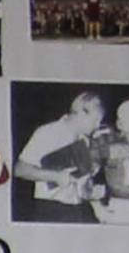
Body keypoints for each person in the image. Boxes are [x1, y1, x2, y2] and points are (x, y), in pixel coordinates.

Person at [14, 89, 107, 219]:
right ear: (82, 113)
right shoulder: (47, 132)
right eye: (95, 120)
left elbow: (82, 185)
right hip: (50, 209)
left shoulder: (85, 141)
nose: (97, 126)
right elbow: (20, 169)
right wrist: (55, 176)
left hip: (76, 210)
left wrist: (91, 193)